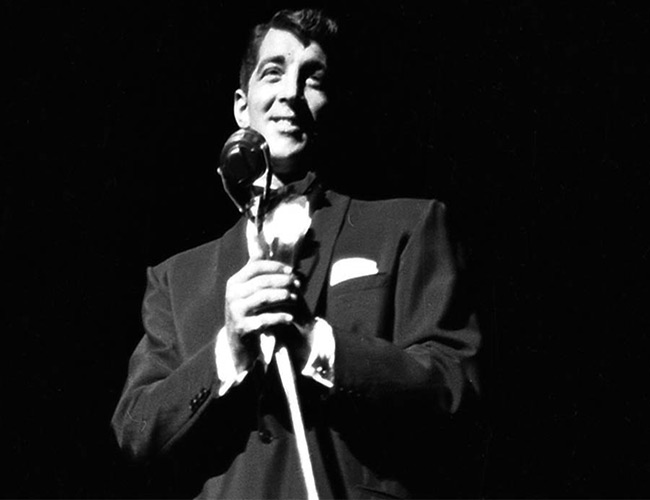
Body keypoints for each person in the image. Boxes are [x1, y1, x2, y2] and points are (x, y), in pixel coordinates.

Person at [112, 8, 482, 499]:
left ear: (332, 103)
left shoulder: (408, 227)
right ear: (241, 107)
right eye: (274, 72)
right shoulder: (177, 278)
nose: (291, 91)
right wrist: (229, 350)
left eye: (313, 78)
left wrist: (316, 342)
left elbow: (453, 387)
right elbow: (136, 430)